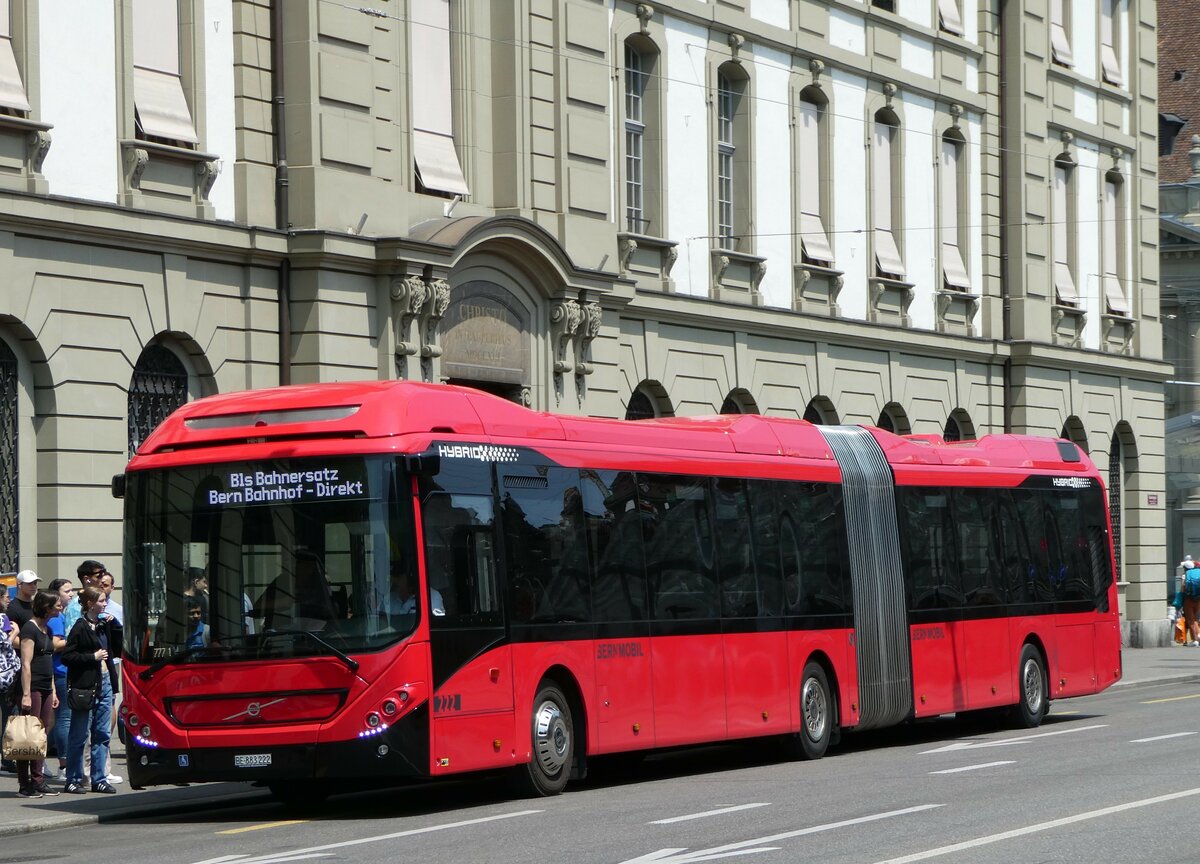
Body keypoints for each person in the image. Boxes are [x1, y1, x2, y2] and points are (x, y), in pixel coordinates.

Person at [60, 586, 118, 794]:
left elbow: (118, 646)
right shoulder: (80, 627)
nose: (105, 604)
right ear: (91, 603)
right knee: (80, 734)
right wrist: (91, 658)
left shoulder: (103, 626)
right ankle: (73, 778)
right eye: (102, 601)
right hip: (85, 686)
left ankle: (99, 778)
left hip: (104, 683)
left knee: (102, 733)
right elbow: (68, 656)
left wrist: (114, 623)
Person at [16, 590, 61, 798]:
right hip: (32, 687)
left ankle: (38, 779)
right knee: (28, 736)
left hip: (45, 687)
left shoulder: (47, 630)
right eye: (56, 605)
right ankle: (25, 784)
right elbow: (26, 664)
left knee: (41, 734)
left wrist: (52, 689)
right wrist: (26, 693)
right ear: (46, 607)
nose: (59, 608)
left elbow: (49, 660)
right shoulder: (29, 629)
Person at [256, 552, 336, 631]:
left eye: (309, 566)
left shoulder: (320, 584)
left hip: (315, 636)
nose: (305, 569)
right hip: (280, 636)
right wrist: (282, 602)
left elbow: (332, 612)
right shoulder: (282, 582)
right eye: (300, 564)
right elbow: (257, 607)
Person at [45, 578, 74, 781]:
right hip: (59, 672)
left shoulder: (62, 614)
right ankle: (63, 765)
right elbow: (54, 644)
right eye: (67, 591)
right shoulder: (55, 618)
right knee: (64, 718)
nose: (71, 594)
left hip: (64, 671)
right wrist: (73, 639)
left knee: (57, 719)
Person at [63, 561, 106, 633]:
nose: (103, 580)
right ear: (87, 579)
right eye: (99, 576)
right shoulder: (75, 606)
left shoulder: (104, 600)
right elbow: (72, 636)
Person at [1181, 556, 1200, 647]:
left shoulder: (1186, 575)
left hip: (1188, 599)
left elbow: (1182, 589)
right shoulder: (1197, 573)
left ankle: (1194, 640)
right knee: (1195, 619)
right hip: (1198, 598)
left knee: (1190, 619)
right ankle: (1197, 637)